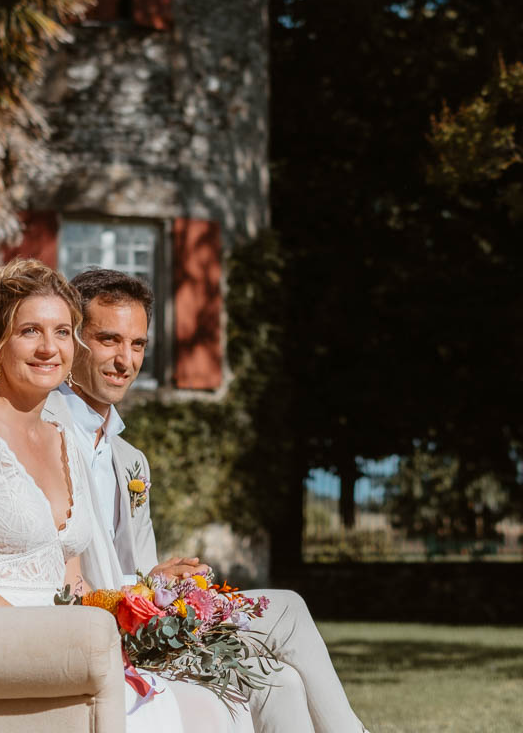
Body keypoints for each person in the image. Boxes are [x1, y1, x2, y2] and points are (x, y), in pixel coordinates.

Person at [0, 258, 249, 732]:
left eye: (63, 332)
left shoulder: (63, 437)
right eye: (30, 331)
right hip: (0, 653)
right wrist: (58, 639)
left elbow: (73, 582)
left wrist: (135, 619)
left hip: (72, 647)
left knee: (219, 707)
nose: (49, 348)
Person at [46, 267, 369, 733]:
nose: (125, 360)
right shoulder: (45, 429)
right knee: (289, 609)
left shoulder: (130, 459)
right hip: (95, 627)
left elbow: (138, 568)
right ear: (74, 340)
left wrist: (161, 577)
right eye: (108, 340)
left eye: (137, 345)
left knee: (280, 682)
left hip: (145, 619)